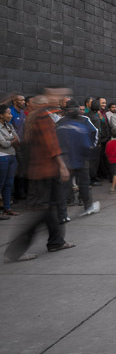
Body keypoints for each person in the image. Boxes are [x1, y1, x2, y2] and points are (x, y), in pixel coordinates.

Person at [5, 96, 74, 263]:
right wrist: (62, 165)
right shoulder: (42, 117)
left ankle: (56, 241)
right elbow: (51, 144)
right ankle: (15, 251)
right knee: (40, 211)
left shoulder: (30, 118)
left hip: (39, 171)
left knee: (50, 208)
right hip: (45, 170)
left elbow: (24, 141)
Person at [55, 100, 100, 218]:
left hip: (66, 159)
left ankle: (63, 214)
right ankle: (88, 206)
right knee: (84, 184)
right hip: (82, 157)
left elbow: (55, 141)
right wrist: (91, 146)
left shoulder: (60, 122)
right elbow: (94, 132)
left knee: (65, 186)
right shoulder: (84, 120)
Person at [0, 105, 20, 218]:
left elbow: (18, 139)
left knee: (9, 184)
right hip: (2, 157)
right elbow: (4, 144)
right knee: (1, 184)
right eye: (8, 113)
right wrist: (12, 139)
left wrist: (11, 140)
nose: (11, 115)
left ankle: (7, 208)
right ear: (1, 115)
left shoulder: (9, 125)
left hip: (12, 156)